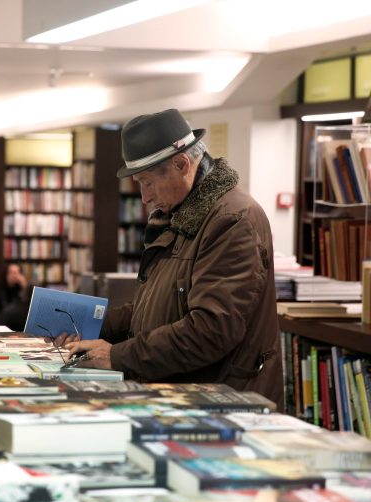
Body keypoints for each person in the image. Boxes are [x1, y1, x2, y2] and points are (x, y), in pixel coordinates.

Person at [58, 109, 282, 408]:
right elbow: (158, 309)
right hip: (185, 391)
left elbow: (211, 330)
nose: (144, 197)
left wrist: (115, 356)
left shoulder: (231, 220)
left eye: (147, 182)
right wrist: (91, 324)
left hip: (221, 401)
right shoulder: (181, 214)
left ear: (181, 164)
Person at [0, 263, 30, 332]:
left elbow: (28, 306)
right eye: (11, 272)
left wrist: (25, 286)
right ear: (6, 275)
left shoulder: (23, 290)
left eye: (16, 273)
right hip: (5, 326)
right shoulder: (0, 291)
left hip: (21, 328)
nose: (14, 276)